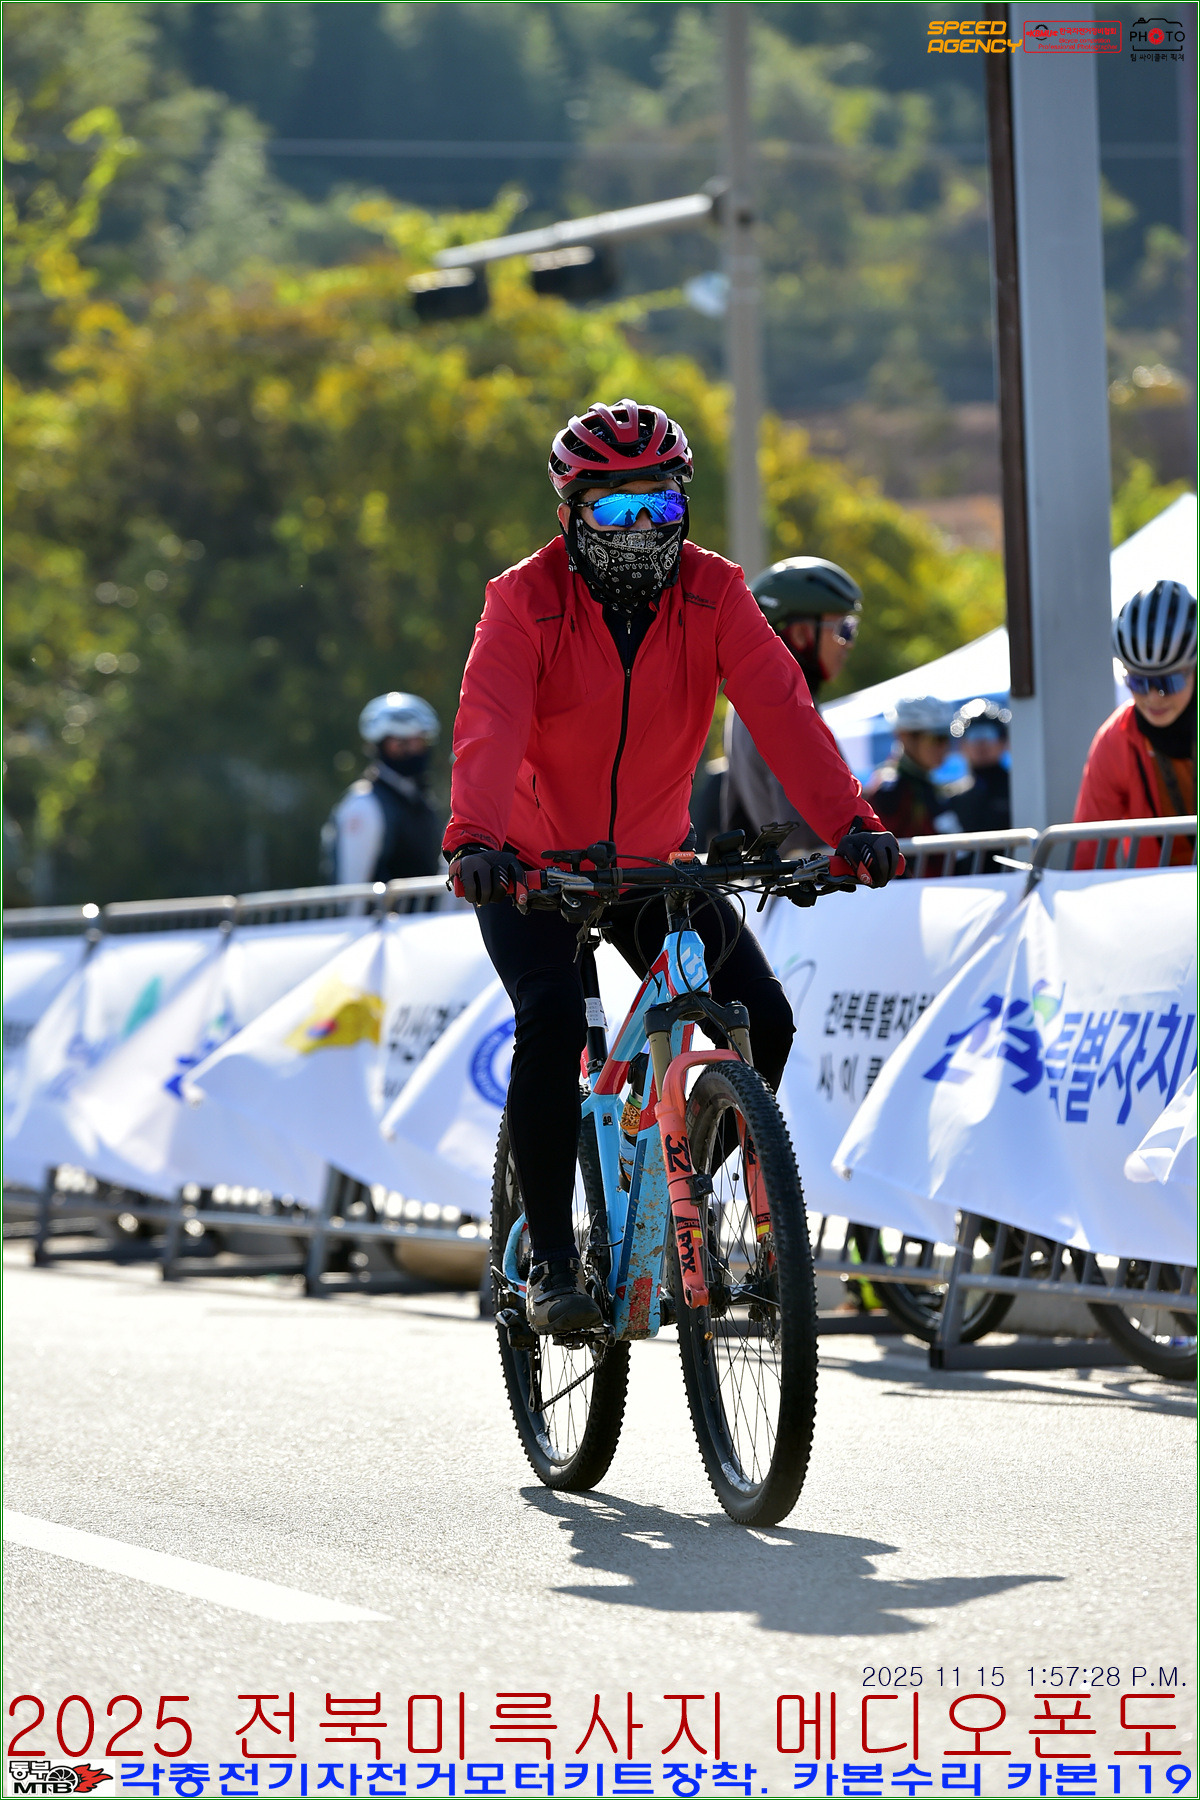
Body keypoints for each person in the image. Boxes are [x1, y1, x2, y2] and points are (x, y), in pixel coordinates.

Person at [443, 398, 900, 1334]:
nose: (641, 528)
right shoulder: (523, 600)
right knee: (550, 1020)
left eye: (661, 504)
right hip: (531, 869)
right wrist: (474, 841)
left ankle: (675, 1172)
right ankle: (553, 1264)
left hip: (653, 863)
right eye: (616, 509)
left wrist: (852, 825)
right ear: (571, 515)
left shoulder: (715, 590)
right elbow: (489, 727)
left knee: (762, 1015)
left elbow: (783, 711)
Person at [722, 556, 864, 855]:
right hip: (808, 875)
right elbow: (808, 828)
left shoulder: (751, 700)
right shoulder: (781, 706)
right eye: (843, 628)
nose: (849, 643)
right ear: (800, 634)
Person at [1074, 580, 1196, 868]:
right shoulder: (1115, 739)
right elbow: (1087, 855)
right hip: (1156, 893)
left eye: (1169, 682)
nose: (1153, 697)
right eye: (1138, 681)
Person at [325, 692, 443, 883]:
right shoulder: (363, 803)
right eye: (400, 743)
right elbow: (352, 889)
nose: (412, 750)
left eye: (418, 740)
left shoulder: (420, 800)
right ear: (379, 746)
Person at [867, 696, 960, 844]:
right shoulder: (891, 790)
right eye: (937, 738)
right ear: (905, 736)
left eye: (947, 737)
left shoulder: (924, 782)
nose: (944, 747)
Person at [945, 698, 1013, 836]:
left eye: (989, 735)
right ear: (962, 745)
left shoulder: (1018, 790)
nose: (981, 743)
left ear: (1004, 742)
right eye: (973, 736)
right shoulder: (951, 796)